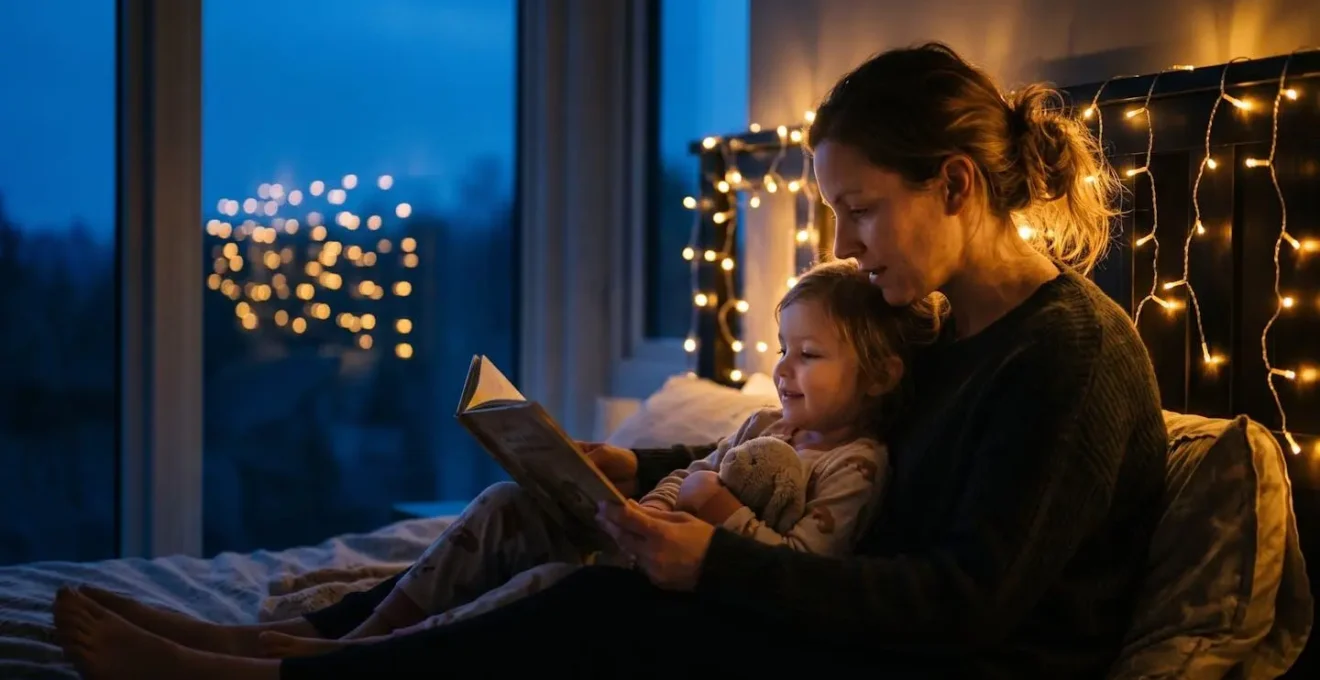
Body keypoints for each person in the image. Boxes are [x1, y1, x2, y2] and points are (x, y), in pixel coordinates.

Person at [53, 40, 1168, 679]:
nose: (845, 245)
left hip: (934, 657)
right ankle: (277, 639)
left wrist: (715, 566)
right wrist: (640, 468)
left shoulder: (1069, 358)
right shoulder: (929, 323)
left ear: (957, 188)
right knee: (536, 514)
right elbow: (816, 431)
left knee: (603, 605)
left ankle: (268, 679)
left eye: (861, 211)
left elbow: (963, 602)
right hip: (832, 594)